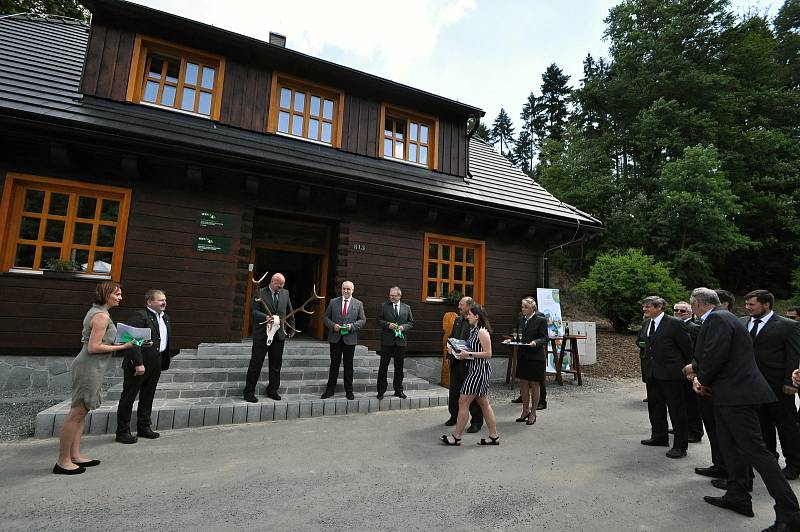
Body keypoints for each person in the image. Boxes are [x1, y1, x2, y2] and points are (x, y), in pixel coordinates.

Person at [689, 287, 800, 530]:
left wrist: (701, 380)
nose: (692, 310)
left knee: (757, 452)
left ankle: (790, 514)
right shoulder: (726, 317)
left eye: (692, 306)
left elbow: (715, 355)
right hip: (729, 394)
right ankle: (737, 495)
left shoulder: (717, 318)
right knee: (731, 448)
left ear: (697, 303)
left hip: (737, 396)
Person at [54, 282, 134, 475]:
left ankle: (75, 455)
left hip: (93, 366)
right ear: (107, 295)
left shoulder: (100, 313)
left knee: (82, 412)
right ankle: (63, 461)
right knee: (76, 413)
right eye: (118, 294)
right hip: (88, 366)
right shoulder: (101, 316)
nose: (120, 298)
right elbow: (93, 347)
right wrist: (123, 347)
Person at [743, 290, 800, 480]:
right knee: (761, 425)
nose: (747, 307)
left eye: (752, 304)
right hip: (751, 386)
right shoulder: (743, 322)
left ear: (766, 304)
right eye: (747, 304)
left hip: (778, 387)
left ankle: (794, 464)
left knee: (787, 427)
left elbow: (793, 355)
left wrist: (790, 383)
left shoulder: (788, 326)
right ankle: (769, 461)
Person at [637, 296, 692, 458]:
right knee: (655, 405)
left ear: (659, 307)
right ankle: (659, 436)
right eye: (644, 307)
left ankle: (680, 446)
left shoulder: (675, 324)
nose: (645, 309)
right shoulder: (647, 323)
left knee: (676, 409)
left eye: (648, 307)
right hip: (652, 372)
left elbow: (686, 348)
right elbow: (643, 343)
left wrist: (687, 369)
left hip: (671, 374)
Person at [115, 289, 172, 444]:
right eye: (160, 300)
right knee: (129, 396)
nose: (164, 302)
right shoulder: (140, 316)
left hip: (156, 363)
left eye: (165, 299)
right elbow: (132, 340)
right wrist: (138, 363)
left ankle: (144, 427)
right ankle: (122, 432)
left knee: (148, 396)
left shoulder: (165, 318)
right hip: (139, 364)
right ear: (149, 302)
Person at [441, 303, 499, 446]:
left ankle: (456, 437)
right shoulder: (474, 330)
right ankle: (494, 436)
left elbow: (488, 354)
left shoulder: (482, 332)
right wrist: (457, 352)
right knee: (484, 404)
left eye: (470, 315)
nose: (467, 317)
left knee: (463, 401)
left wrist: (469, 354)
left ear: (477, 316)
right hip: (475, 369)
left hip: (479, 372)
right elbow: (469, 350)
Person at [244, 273, 293, 402]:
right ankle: (248, 392)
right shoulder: (259, 292)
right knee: (256, 363)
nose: (281, 287)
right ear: (272, 281)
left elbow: (289, 310)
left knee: (276, 365)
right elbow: (254, 311)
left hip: (278, 335)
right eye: (279, 284)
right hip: (262, 335)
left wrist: (292, 326)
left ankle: (272, 390)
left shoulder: (285, 293)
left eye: (283, 284)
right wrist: (265, 317)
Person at [504, 297, 548, 425]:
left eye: (525, 307)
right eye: (522, 306)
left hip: (536, 357)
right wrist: (511, 340)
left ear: (532, 308)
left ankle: (533, 413)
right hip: (523, 356)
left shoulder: (541, 320)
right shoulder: (521, 319)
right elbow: (518, 335)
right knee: (523, 384)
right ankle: (525, 411)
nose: (522, 309)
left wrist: (536, 342)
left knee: (535, 384)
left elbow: (545, 338)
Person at [444, 297, 483, 433]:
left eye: (461, 304)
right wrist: (449, 355)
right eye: (459, 304)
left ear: (469, 306)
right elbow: (453, 337)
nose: (459, 307)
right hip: (456, 361)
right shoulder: (458, 319)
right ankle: (453, 416)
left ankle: (476, 422)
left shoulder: (475, 321)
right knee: (454, 391)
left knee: (470, 394)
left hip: (469, 363)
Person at [321, 281, 366, 400]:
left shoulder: (358, 304)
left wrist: (352, 326)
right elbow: (325, 318)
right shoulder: (333, 302)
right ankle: (330, 390)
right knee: (334, 365)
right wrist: (332, 326)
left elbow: (362, 320)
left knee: (348, 365)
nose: (346, 291)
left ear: (353, 290)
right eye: (344, 289)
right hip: (335, 338)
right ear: (341, 289)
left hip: (349, 339)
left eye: (348, 289)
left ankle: (349, 391)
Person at [673, 301, 703, 443]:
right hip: (676, 370)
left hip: (690, 370)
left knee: (692, 403)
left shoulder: (695, 328)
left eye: (682, 311)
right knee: (679, 401)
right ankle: (682, 426)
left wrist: (694, 370)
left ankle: (695, 431)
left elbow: (696, 350)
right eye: (676, 310)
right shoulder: (672, 325)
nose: (678, 313)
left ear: (690, 313)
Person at [376, 286, 413, 400]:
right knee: (383, 367)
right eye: (390, 295)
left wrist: (403, 327)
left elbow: (411, 322)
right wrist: (388, 325)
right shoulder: (383, 306)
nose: (391, 297)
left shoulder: (407, 308)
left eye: (393, 295)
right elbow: (378, 320)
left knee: (399, 368)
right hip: (387, 341)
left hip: (400, 342)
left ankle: (398, 390)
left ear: (399, 296)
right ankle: (381, 391)